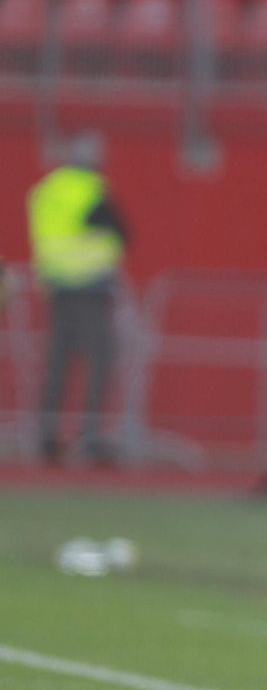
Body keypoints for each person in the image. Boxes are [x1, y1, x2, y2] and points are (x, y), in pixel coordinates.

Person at [28, 134, 129, 464]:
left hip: (57, 289)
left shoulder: (47, 191)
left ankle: (47, 436)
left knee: (58, 363)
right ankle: (89, 438)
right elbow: (123, 232)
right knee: (100, 360)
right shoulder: (91, 189)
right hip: (91, 288)